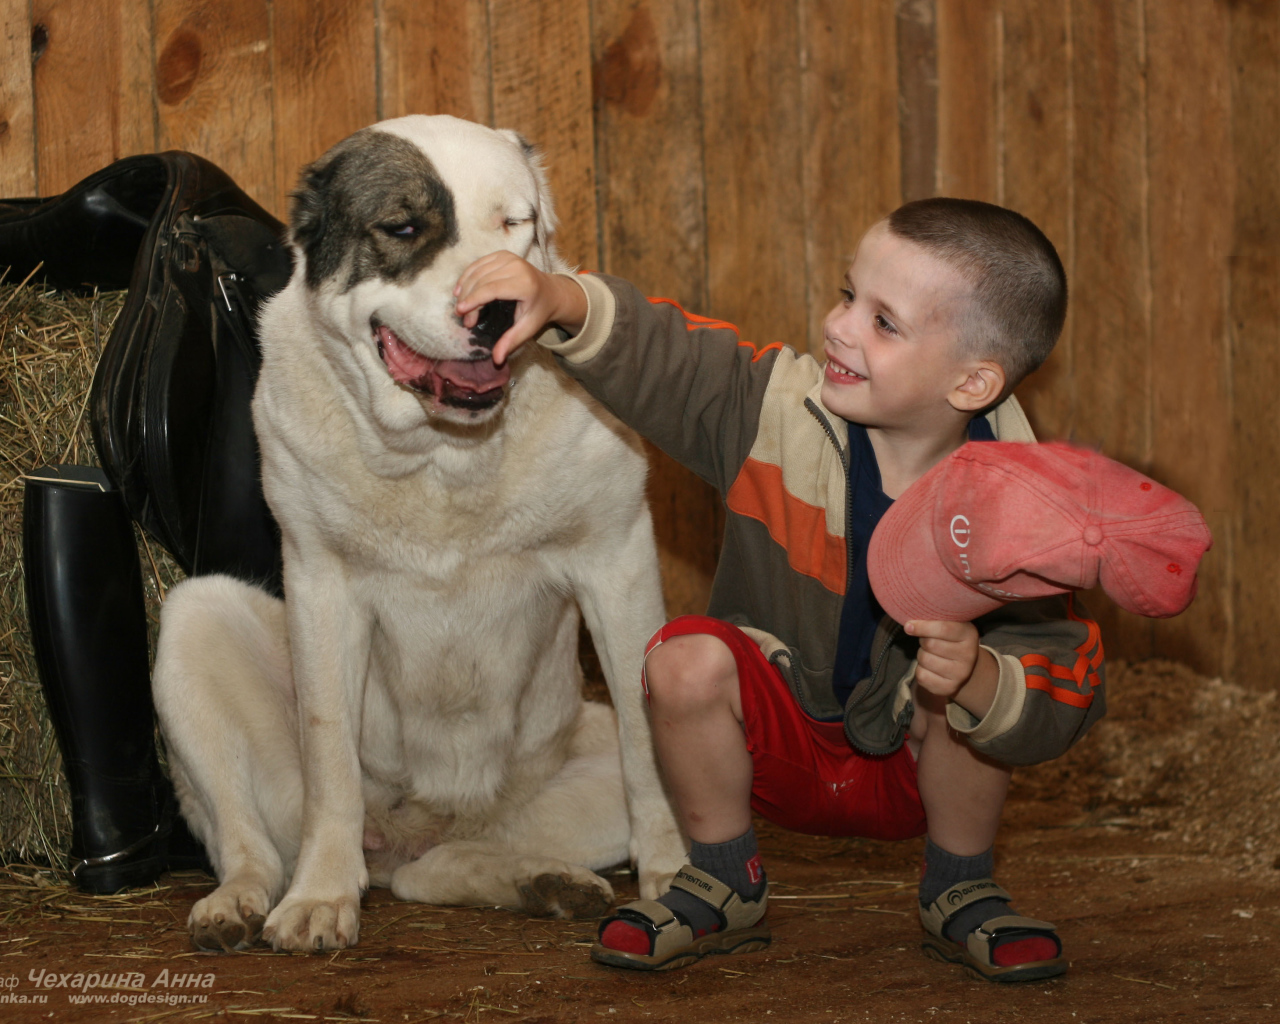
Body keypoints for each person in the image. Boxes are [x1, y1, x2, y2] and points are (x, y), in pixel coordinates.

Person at [453, 198, 1103, 983]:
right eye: (845, 294)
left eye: (884, 323)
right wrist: (560, 298)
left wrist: (982, 676)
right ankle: (724, 880)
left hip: (915, 764)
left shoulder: (1021, 514)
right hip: (780, 749)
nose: (839, 327)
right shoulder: (776, 413)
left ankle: (960, 888)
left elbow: (1068, 682)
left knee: (967, 691)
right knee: (681, 659)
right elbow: (673, 358)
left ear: (972, 381)